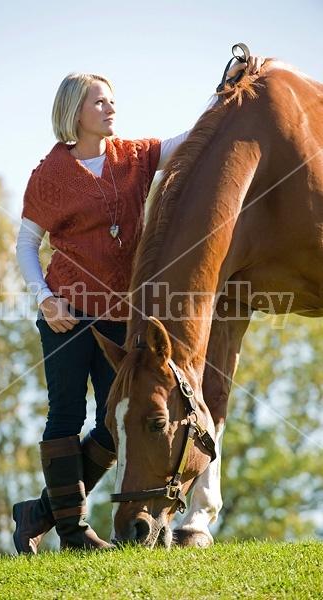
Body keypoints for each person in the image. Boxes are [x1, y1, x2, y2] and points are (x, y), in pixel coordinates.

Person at [13, 54, 265, 554]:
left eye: (112, 99)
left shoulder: (133, 155)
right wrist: (45, 299)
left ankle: (38, 512)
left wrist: (225, 94)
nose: (110, 107)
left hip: (121, 320)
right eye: (99, 101)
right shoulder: (49, 174)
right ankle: (72, 530)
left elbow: (189, 143)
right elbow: (26, 244)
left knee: (113, 427)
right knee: (65, 414)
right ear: (74, 111)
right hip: (67, 313)